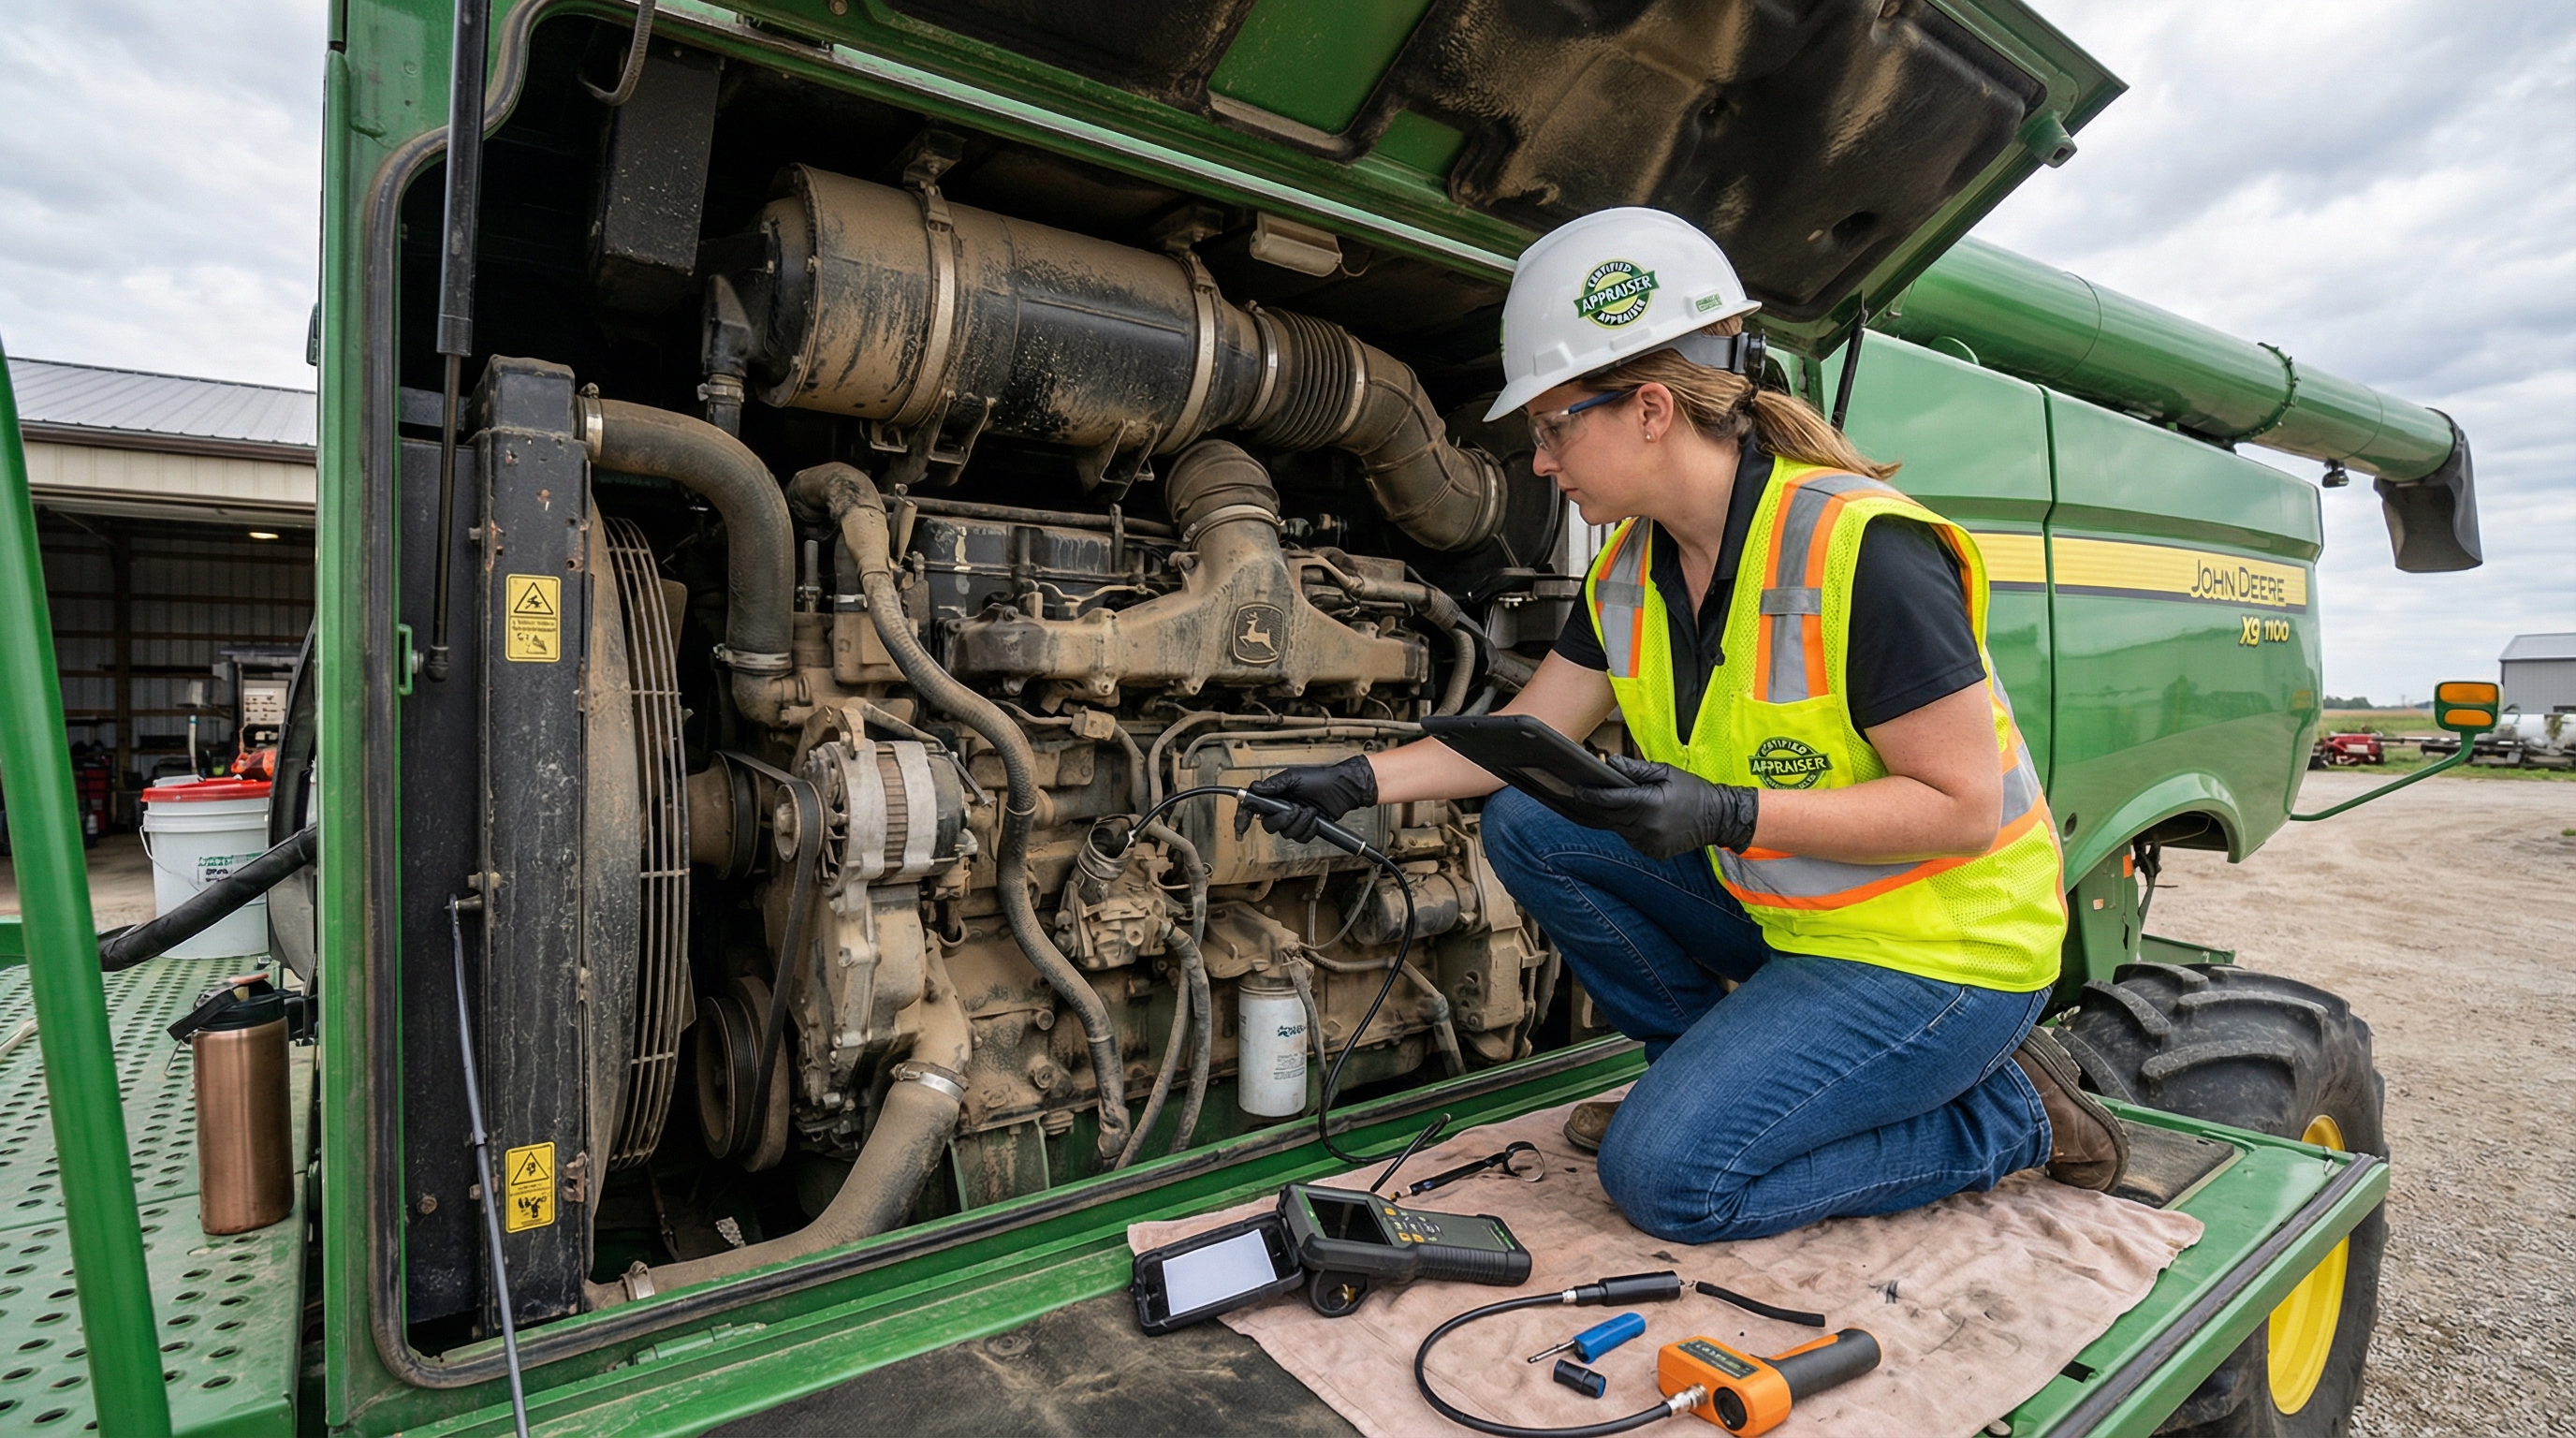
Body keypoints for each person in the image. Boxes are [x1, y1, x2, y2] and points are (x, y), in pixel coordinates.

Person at [1238, 209, 2125, 1244]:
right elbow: (1529, 729)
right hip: (1799, 920)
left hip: (1943, 956)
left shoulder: (1863, 550)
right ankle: (1719, 1087)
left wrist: (1722, 812)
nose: (1537, 462)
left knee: (1668, 1186)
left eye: (1553, 424)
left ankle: (2010, 1116)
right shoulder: (1628, 570)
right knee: (1532, 825)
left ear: (1650, 409)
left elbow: (1964, 809)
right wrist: (1358, 779)